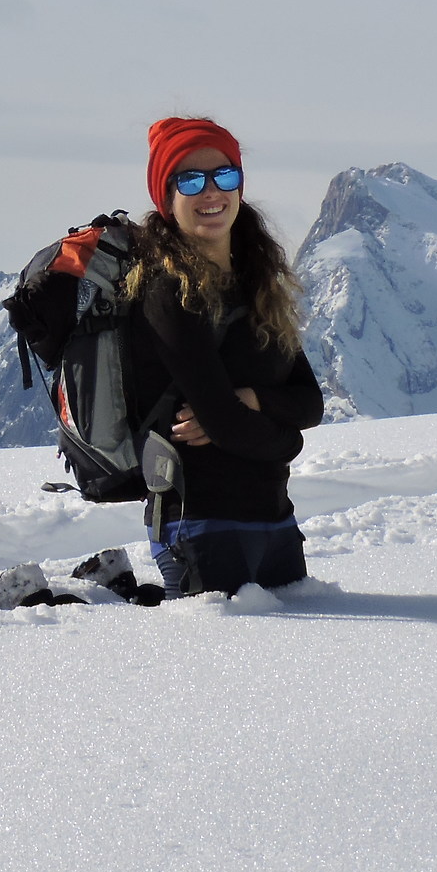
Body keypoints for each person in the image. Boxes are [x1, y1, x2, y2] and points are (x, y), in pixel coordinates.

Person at [124, 116, 325, 597]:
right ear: (167, 198)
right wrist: (289, 440)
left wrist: (253, 398)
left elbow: (310, 403)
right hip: (200, 523)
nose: (211, 192)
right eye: (190, 180)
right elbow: (227, 422)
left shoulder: (258, 285)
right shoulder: (166, 291)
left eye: (224, 175)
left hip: (275, 518)